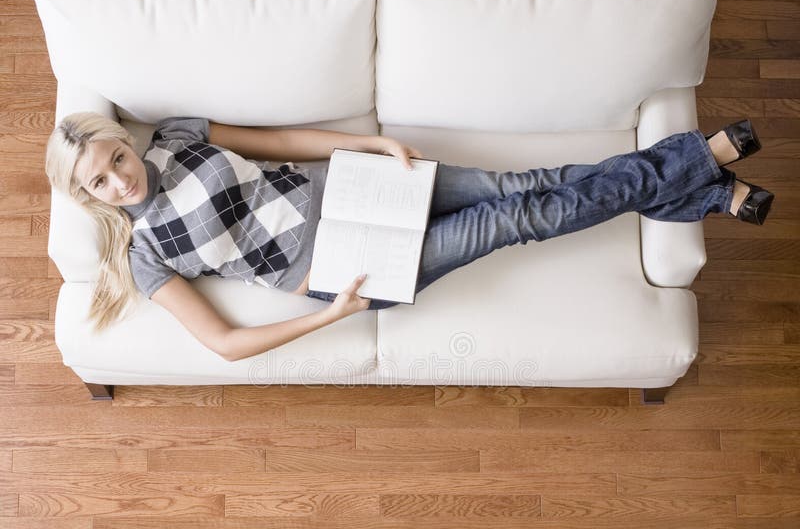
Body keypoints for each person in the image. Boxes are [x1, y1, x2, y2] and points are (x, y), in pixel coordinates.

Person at [45, 113, 774, 362]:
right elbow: (224, 345)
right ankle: (699, 161)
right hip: (344, 266)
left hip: (354, 186)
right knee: (522, 218)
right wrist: (328, 315)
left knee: (523, 184)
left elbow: (277, 140)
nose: (119, 179)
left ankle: (701, 188)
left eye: (115, 158)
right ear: (87, 198)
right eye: (100, 183)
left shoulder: (177, 135)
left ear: (123, 143)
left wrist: (370, 141)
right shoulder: (146, 255)